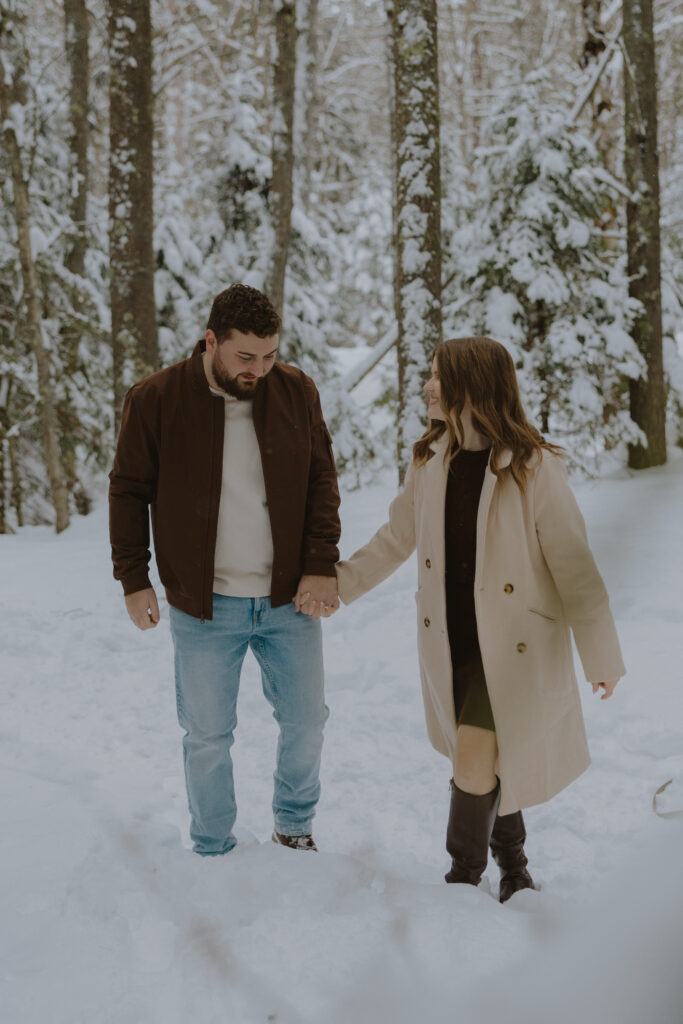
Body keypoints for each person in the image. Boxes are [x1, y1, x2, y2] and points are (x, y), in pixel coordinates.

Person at [335, 337, 625, 901]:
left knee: (473, 755)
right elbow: (396, 538)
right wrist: (336, 587)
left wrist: (601, 655)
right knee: (487, 757)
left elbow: (575, 567)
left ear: (470, 386)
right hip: (453, 642)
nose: (427, 385)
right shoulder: (430, 461)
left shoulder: (533, 466)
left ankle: (462, 881)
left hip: (514, 648)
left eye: (438, 377)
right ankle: (514, 868)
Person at [109, 284, 341, 856]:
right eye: (245, 356)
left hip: (289, 599)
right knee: (209, 735)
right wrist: (133, 578)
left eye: (269, 355)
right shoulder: (156, 398)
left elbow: (321, 481)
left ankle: (294, 824)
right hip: (205, 602)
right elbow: (128, 490)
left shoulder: (295, 390)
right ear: (211, 341)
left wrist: (320, 564)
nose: (259, 369)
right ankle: (212, 844)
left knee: (307, 720)